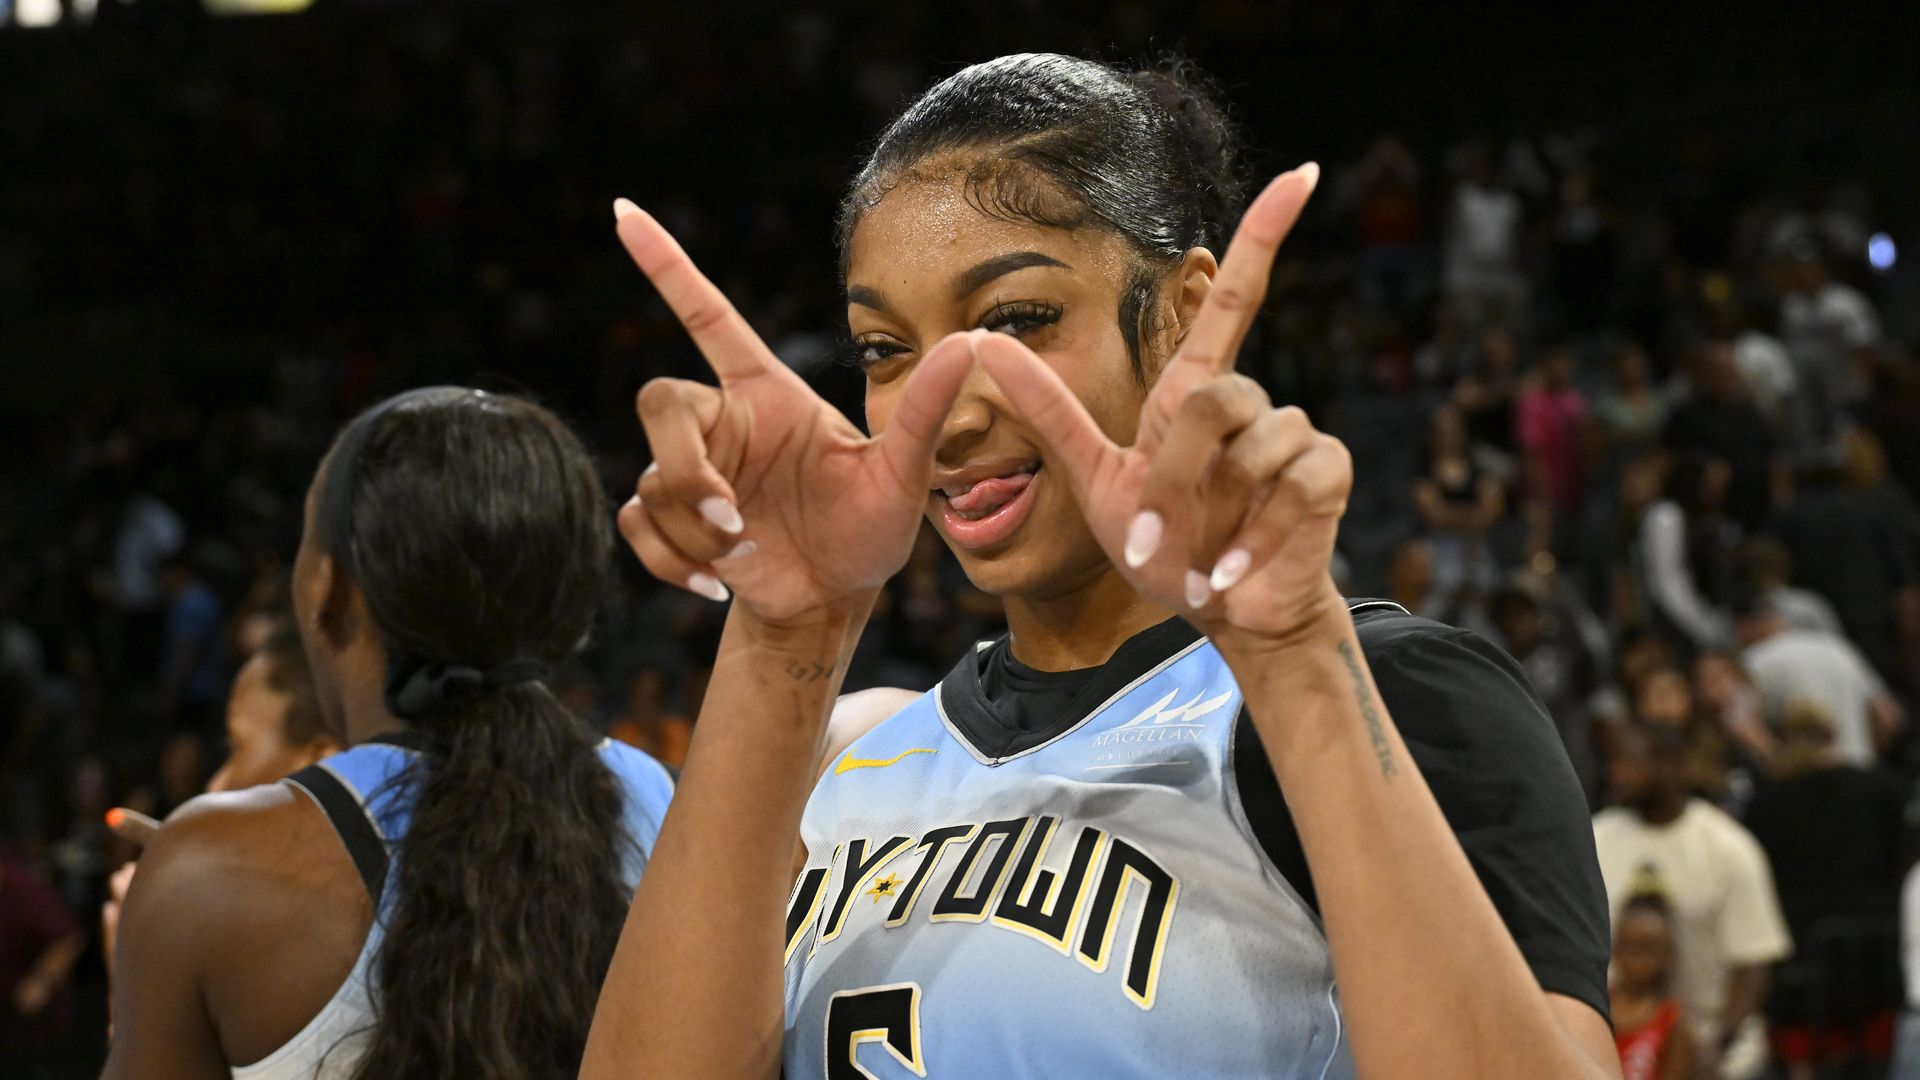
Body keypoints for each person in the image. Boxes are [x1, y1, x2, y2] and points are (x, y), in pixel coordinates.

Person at [583, 54, 1616, 1079]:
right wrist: (786, 629)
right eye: (885, 350)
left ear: (1177, 312)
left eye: (1016, 321)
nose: (946, 407)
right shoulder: (851, 764)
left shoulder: (1399, 696)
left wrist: (1294, 655)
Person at [101, 388, 675, 1079]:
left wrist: (138, 980)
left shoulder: (204, 872)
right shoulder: (661, 799)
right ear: (571, 601)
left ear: (327, 590)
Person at [1594, 723, 1792, 1079]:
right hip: (1622, 1055)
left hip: (1716, 1055)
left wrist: (1715, 1048)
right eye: (1614, 762)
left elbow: (1753, 963)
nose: (1617, 773)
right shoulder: (1595, 838)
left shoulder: (1728, 848)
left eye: (1629, 762)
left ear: (1672, 766)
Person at [1743, 707, 1905, 1078]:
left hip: (1799, 970)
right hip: (1875, 966)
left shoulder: (1765, 804)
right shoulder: (1883, 789)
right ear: (1833, 735)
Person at [1734, 591, 1903, 768]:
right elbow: (1887, 715)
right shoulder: (1836, 646)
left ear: (1744, 626)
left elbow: (1740, 723)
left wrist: (1779, 761)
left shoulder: (1755, 659)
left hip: (1804, 779)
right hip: (1860, 773)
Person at [1611, 892, 1696, 1080]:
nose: (1636, 961)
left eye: (1647, 949)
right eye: (1628, 947)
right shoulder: (1597, 1002)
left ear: (1667, 955)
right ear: (1615, 948)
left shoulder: (1673, 1021)